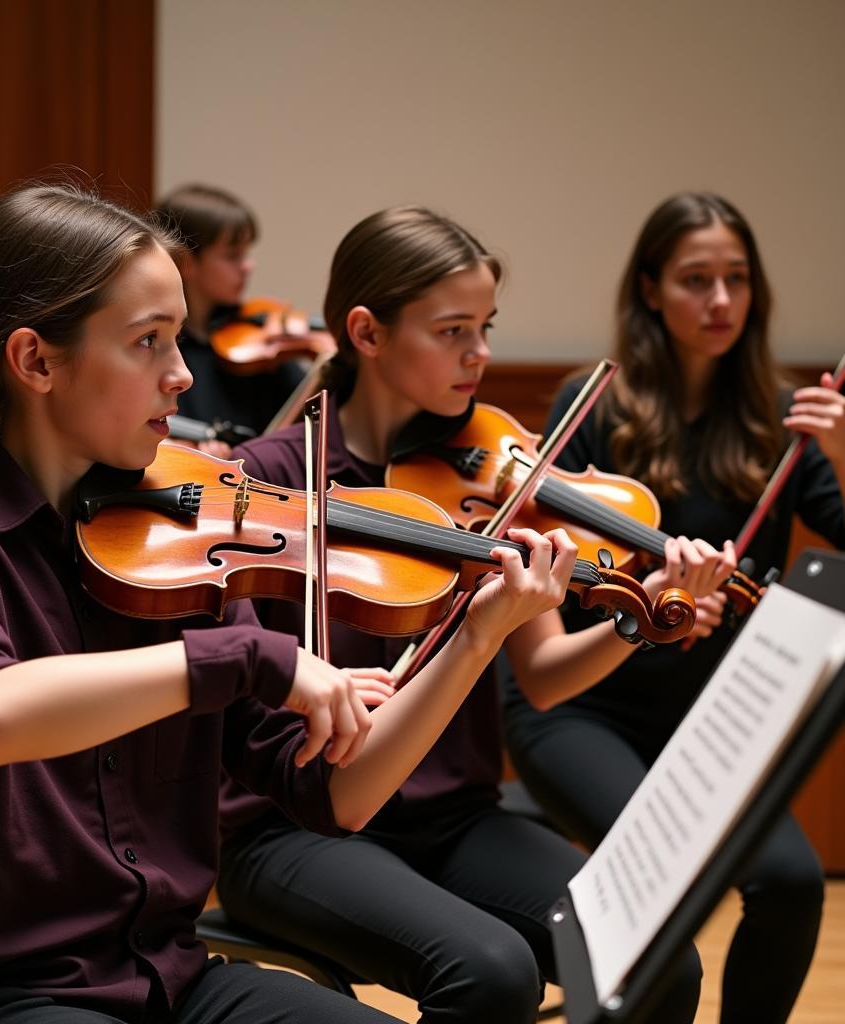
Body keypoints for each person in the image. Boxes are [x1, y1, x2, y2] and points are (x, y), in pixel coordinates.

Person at [0, 182, 577, 1024]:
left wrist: (478, 638)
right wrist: (240, 661)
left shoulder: (181, 537)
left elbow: (337, 797)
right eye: (148, 343)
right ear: (37, 361)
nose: (183, 374)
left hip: (172, 978)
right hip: (3, 997)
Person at [217, 206, 705, 1024]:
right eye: (452, 331)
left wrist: (634, 619)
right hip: (293, 831)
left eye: (485, 327)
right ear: (367, 333)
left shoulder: (490, 475)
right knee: (489, 972)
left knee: (659, 955)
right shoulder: (267, 485)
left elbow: (544, 676)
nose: (480, 354)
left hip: (452, 819)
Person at [504, 191, 844, 1024]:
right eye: (697, 280)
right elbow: (558, 557)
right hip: (584, 704)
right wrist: (649, 599)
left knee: (795, 883)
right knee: (665, 884)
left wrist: (839, 452)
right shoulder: (594, 405)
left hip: (704, 709)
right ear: (652, 290)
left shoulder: (779, 416)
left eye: (737, 279)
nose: (722, 301)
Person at [154, 183, 319, 449]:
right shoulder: (160, 349)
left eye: (246, 253)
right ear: (185, 261)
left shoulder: (258, 344)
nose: (248, 266)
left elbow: (307, 415)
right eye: (232, 256)